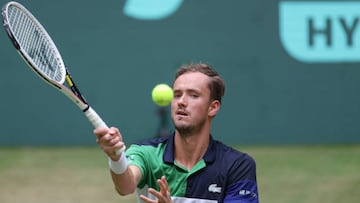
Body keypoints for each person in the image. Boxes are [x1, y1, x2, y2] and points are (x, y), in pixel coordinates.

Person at [94, 63, 259, 203]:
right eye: (177, 94)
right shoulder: (146, 153)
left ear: (213, 107)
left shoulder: (237, 165)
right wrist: (116, 157)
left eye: (193, 95)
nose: (181, 102)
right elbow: (125, 186)